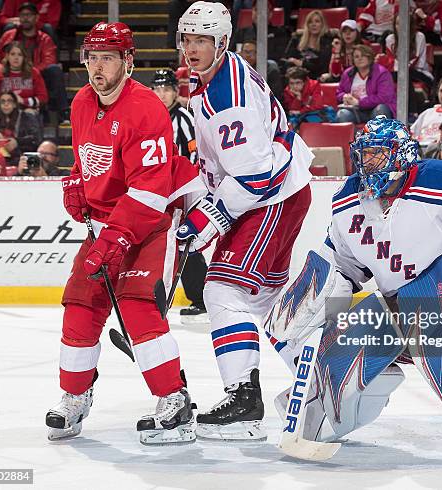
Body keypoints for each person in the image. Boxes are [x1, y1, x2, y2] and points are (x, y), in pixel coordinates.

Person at [267, 116, 442, 462]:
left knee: (430, 320)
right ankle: (317, 416)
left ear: (401, 155)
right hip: (403, 297)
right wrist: (304, 300)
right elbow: (340, 265)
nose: (366, 164)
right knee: (350, 340)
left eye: (376, 155)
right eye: (363, 155)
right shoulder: (348, 200)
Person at [44, 22, 204, 445]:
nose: (97, 67)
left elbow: (152, 188)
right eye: (92, 57)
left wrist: (116, 239)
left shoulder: (146, 107)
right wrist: (75, 183)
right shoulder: (81, 102)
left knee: (138, 310)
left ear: (127, 62)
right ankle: (74, 397)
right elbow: (85, 160)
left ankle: (176, 403)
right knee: (79, 306)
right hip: (106, 230)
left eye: (108, 58)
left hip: (148, 226)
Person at [176, 1, 313, 441]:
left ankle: (243, 398)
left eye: (202, 40)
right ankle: (320, 377)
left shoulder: (225, 95)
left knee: (221, 288)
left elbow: (255, 175)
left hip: (271, 197)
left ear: (222, 42)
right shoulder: (212, 78)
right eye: (187, 39)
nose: (192, 49)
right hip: (276, 194)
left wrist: (208, 215)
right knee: (263, 299)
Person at [151, 68, 209, 324]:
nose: (162, 94)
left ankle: (201, 299)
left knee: (186, 242)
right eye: (158, 89)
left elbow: (194, 156)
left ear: (176, 91)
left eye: (167, 89)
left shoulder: (184, 118)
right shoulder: (151, 118)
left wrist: (188, 189)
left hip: (184, 191)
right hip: (158, 191)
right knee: (162, 244)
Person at [0, 2, 69, 122]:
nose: (25, 18)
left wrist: (30, 70)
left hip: (36, 75)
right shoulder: (9, 36)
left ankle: (62, 113)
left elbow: (49, 60)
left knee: (54, 70)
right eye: (23, 15)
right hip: (12, 74)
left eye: (29, 15)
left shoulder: (45, 38)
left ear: (37, 18)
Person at [336, 43, 396, 123]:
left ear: (370, 57)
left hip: (375, 109)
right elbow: (339, 92)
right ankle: (356, 135)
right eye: (356, 57)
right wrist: (344, 96)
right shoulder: (348, 73)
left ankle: (378, 135)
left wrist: (359, 102)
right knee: (342, 114)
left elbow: (384, 97)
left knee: (381, 111)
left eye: (363, 56)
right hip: (355, 110)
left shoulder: (382, 73)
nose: (360, 59)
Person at [0, 91, 42, 163]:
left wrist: (17, 141)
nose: (6, 104)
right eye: (3, 102)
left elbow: (36, 139)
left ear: (14, 104)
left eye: (9, 101)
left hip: (21, 157)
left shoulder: (26, 117)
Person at [0, 41, 48, 112]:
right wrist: (7, 102)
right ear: (7, 56)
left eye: (20, 55)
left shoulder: (34, 73)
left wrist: (24, 101)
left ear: (24, 57)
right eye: (13, 54)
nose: (16, 58)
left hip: (28, 110)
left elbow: (43, 97)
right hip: (4, 111)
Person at [283, 9, 334, 80]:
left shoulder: (326, 42)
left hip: (316, 78)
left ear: (322, 24)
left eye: (317, 21)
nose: (313, 24)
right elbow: (288, 59)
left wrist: (302, 64)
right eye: (310, 22)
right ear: (307, 25)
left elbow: (322, 67)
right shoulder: (297, 39)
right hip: (296, 77)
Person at [239, 40, 283, 106]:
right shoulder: (236, 67)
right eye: (246, 52)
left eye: (252, 52)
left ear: (258, 53)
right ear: (241, 53)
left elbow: (275, 94)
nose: (248, 55)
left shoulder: (270, 69)